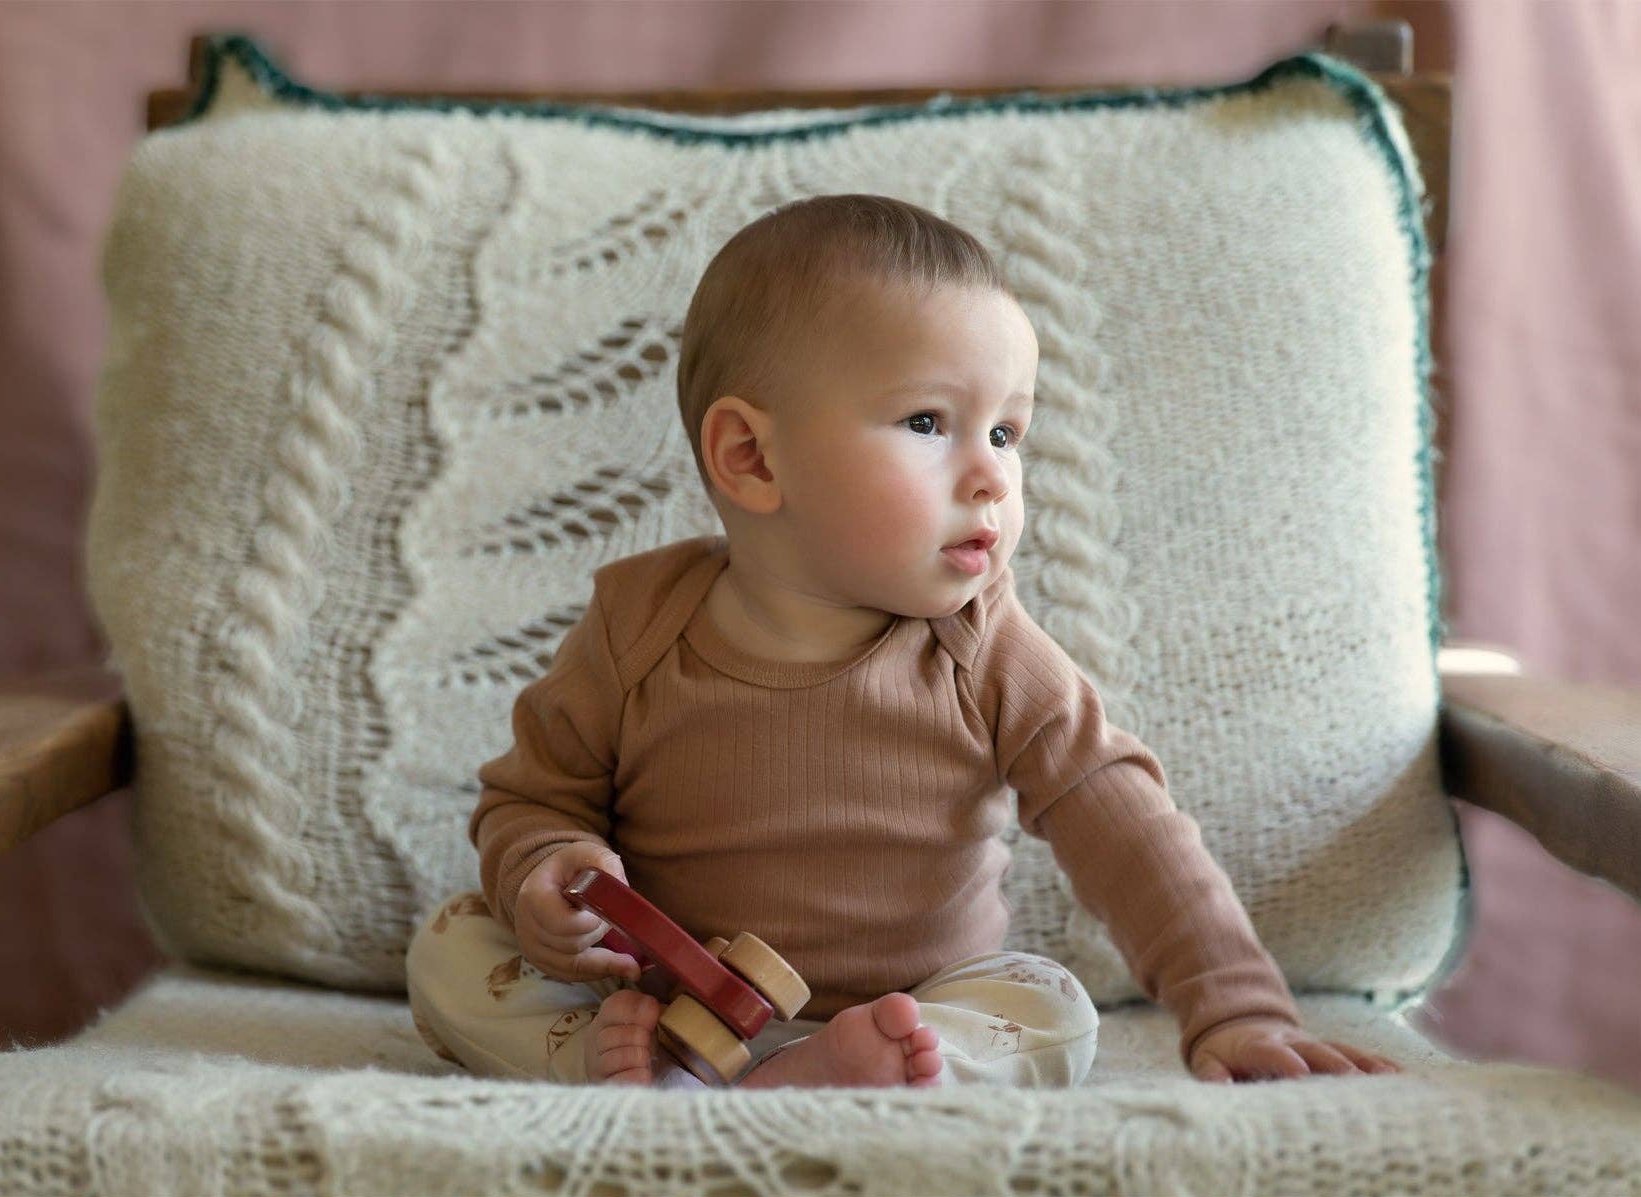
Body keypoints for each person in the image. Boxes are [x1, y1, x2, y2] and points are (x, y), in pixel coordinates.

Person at [405, 193, 1404, 1090]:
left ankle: (848, 1070)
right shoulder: (637, 625)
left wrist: (1237, 1010)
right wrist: (551, 877)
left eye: (1006, 433)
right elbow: (533, 803)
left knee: (1048, 1003)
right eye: (929, 422)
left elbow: (1125, 826)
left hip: (913, 1008)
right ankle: (617, 1059)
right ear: (751, 458)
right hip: (668, 999)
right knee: (453, 946)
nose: (992, 476)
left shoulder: (983, 646)